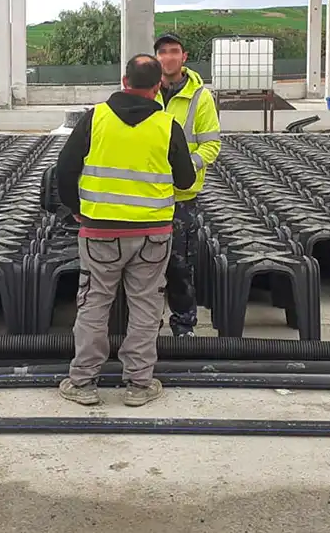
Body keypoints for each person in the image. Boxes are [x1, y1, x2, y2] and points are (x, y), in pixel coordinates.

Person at [55, 54, 196, 407]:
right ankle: (139, 384)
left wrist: (77, 209)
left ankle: (84, 382)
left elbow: (65, 167)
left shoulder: (96, 118)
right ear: (158, 86)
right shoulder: (167, 126)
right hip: (152, 234)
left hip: (100, 233)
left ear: (123, 80)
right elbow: (186, 180)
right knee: (146, 306)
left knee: (93, 304)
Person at [154, 32, 222, 337]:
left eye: (173, 51)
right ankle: (147, 324)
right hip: (147, 194)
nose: (168, 57)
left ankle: (183, 325)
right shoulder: (145, 92)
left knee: (180, 266)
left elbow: (211, 145)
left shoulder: (200, 97)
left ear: (184, 57)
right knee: (145, 267)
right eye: (162, 52)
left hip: (181, 196)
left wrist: (184, 166)